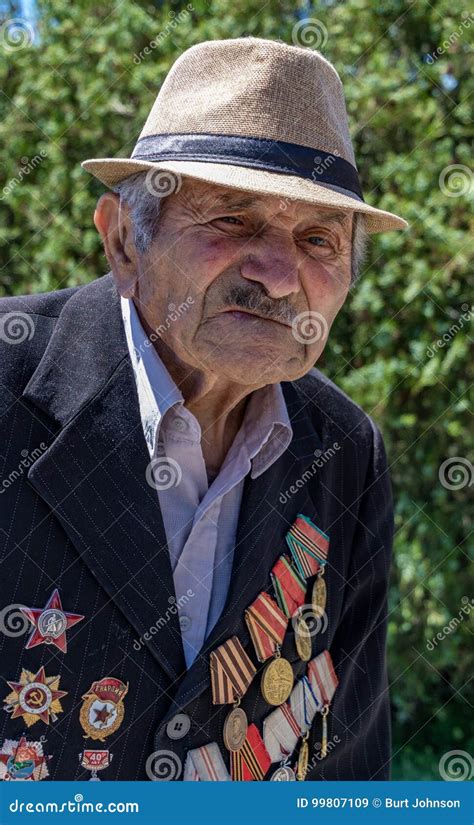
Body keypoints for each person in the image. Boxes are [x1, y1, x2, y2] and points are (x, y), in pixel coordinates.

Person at [0, 37, 408, 781]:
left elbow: (348, 766)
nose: (280, 276)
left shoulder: (345, 453)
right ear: (125, 240)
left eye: (317, 238)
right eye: (232, 220)